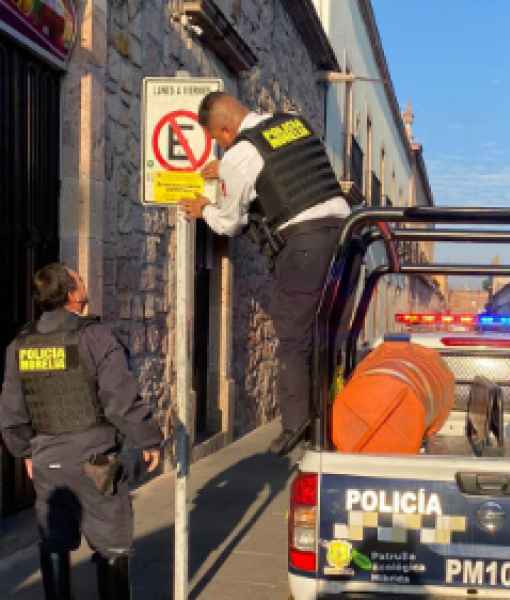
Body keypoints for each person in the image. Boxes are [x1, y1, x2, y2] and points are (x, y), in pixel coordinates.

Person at [178, 92, 352, 454]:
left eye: (216, 139)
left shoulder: (238, 156)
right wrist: (226, 171)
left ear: (225, 130)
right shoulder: (291, 121)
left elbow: (229, 223)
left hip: (304, 248)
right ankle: (333, 414)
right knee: (329, 335)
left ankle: (296, 422)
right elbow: (281, 177)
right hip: (346, 237)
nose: (220, 146)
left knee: (293, 337)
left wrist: (205, 208)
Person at [0, 264, 163, 600]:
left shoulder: (20, 345)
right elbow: (120, 400)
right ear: (72, 294)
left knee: (54, 540)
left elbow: (12, 411)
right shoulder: (96, 337)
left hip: (47, 459)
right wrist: (149, 438)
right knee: (112, 543)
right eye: (81, 281)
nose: (85, 285)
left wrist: (25, 451)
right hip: (95, 460)